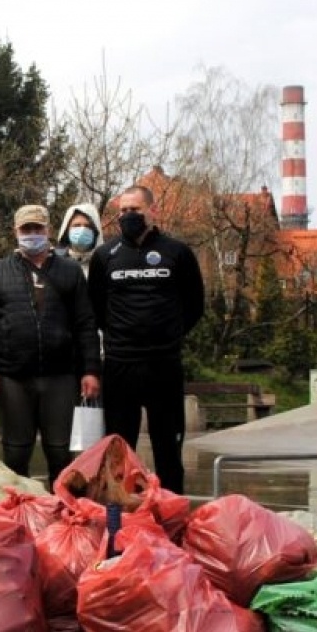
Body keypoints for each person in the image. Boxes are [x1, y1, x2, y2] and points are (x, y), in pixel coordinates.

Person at [0, 204, 102, 483]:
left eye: (37, 228)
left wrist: (91, 369)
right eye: (26, 229)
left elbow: (85, 324)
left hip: (61, 376)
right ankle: (20, 507)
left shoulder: (70, 272)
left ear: (48, 230)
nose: (32, 233)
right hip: (13, 377)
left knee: (61, 453)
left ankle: (62, 507)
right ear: (15, 232)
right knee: (15, 454)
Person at [88, 184, 205, 493]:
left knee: (168, 446)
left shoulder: (177, 253)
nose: (129, 216)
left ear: (153, 211)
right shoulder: (104, 256)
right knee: (118, 447)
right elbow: (96, 308)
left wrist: (169, 335)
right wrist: (120, 336)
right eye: (123, 211)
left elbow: (195, 305)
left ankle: (170, 511)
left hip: (164, 363)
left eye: (135, 210)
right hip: (120, 364)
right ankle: (120, 512)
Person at [56, 201, 103, 277]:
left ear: (95, 231)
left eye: (88, 226)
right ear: (67, 230)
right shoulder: (55, 263)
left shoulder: (104, 264)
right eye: (77, 225)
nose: (82, 230)